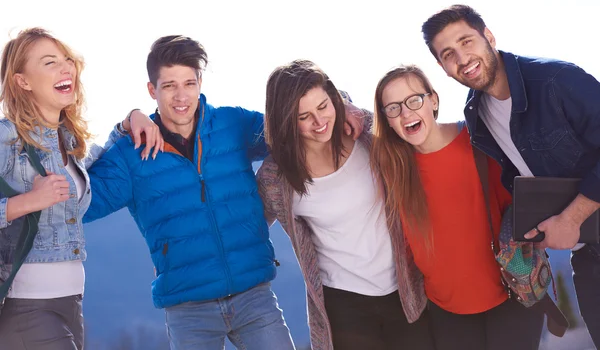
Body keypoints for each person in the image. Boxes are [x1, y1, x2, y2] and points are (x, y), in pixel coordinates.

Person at [83, 36, 359, 350]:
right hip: (188, 311)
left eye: (189, 83)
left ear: (200, 81)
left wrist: (344, 105)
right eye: (169, 85)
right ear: (152, 90)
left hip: (254, 297)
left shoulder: (232, 123)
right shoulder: (132, 153)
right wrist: (121, 128)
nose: (181, 96)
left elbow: (291, 124)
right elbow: (80, 201)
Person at [422, 4, 600, 347]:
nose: (462, 58)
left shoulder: (556, 80)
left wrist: (571, 217)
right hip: (587, 257)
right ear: (442, 68)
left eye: (467, 41)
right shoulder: (476, 115)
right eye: (449, 54)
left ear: (489, 36)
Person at [0, 28, 160, 350]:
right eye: (50, 63)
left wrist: (129, 120)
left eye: (67, 60)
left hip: (70, 304)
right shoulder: (7, 138)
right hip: (26, 307)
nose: (66, 68)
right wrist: (30, 200)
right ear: (22, 81)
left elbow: (92, 161)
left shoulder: (66, 139)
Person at [257, 60, 434, 350]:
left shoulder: (368, 136)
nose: (319, 122)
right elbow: (249, 226)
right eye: (304, 117)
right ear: (286, 120)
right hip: (342, 304)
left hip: (404, 292)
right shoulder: (276, 176)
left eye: (324, 107)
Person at [371, 64, 545, 350]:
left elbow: (522, 204)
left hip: (511, 294)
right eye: (393, 108)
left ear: (433, 100)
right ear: (387, 119)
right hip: (446, 311)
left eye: (414, 100)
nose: (406, 113)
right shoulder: (390, 168)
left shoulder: (479, 141)